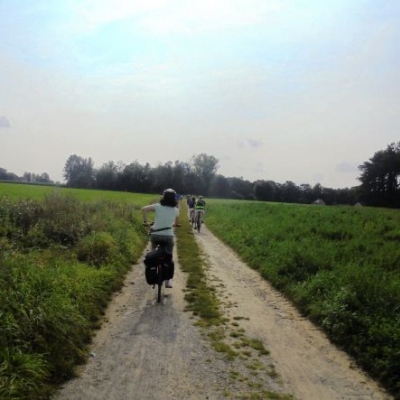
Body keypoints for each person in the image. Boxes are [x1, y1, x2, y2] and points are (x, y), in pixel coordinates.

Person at [141, 188, 180, 288]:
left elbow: (144, 209)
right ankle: (168, 280)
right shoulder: (176, 210)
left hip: (155, 235)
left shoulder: (157, 206)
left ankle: (150, 264)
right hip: (168, 237)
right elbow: (176, 223)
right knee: (169, 256)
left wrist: (146, 222)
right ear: (174, 198)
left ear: (163, 197)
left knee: (152, 250)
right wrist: (174, 225)